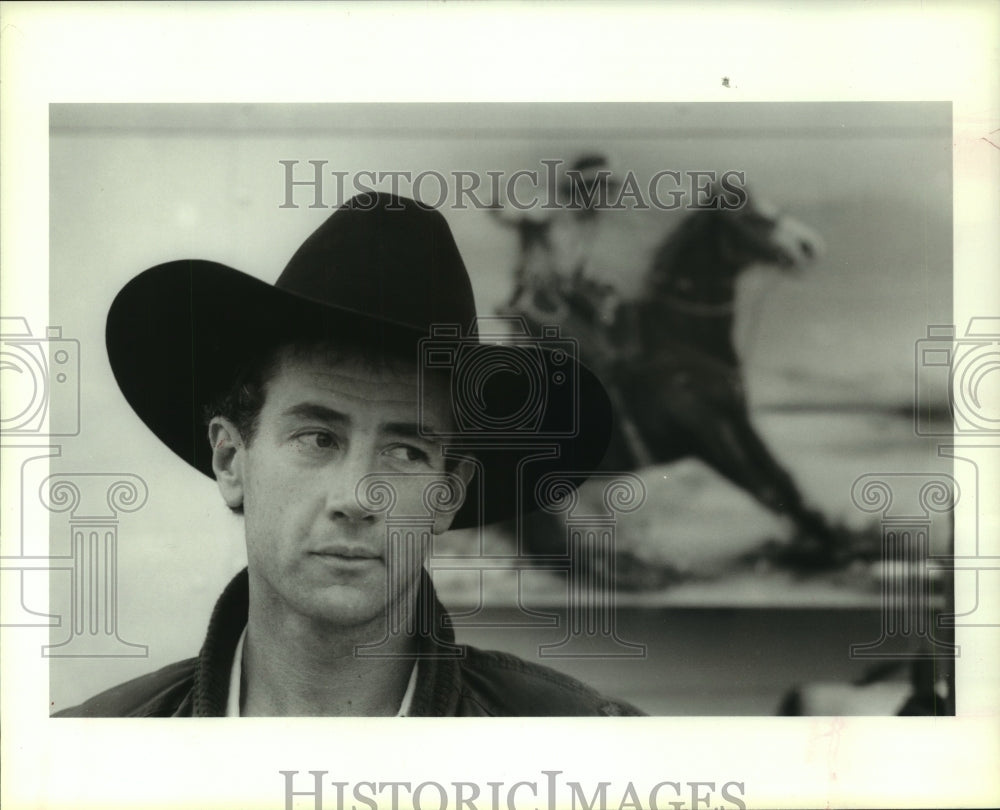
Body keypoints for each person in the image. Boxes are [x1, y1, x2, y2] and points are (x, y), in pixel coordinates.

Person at [54, 192, 642, 717]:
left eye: (407, 452)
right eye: (318, 438)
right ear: (232, 460)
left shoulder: (585, 752)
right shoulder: (92, 758)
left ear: (448, 494)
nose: (359, 497)